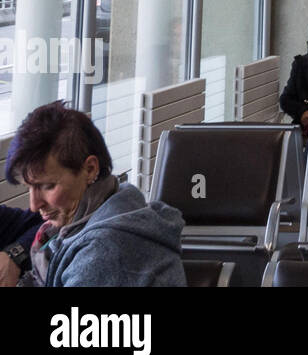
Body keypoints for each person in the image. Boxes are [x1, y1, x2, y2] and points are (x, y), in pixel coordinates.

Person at [2, 102, 185, 287]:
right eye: (29, 187)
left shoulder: (103, 252)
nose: (34, 204)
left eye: (48, 186)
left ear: (89, 169)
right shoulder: (116, 206)